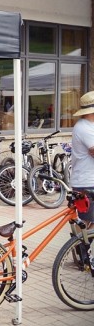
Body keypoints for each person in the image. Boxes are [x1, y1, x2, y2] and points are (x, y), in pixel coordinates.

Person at [69, 91, 94, 228]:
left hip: (88, 181)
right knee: (85, 223)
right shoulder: (84, 128)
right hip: (87, 183)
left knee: (87, 224)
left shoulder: (90, 126)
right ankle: (79, 241)